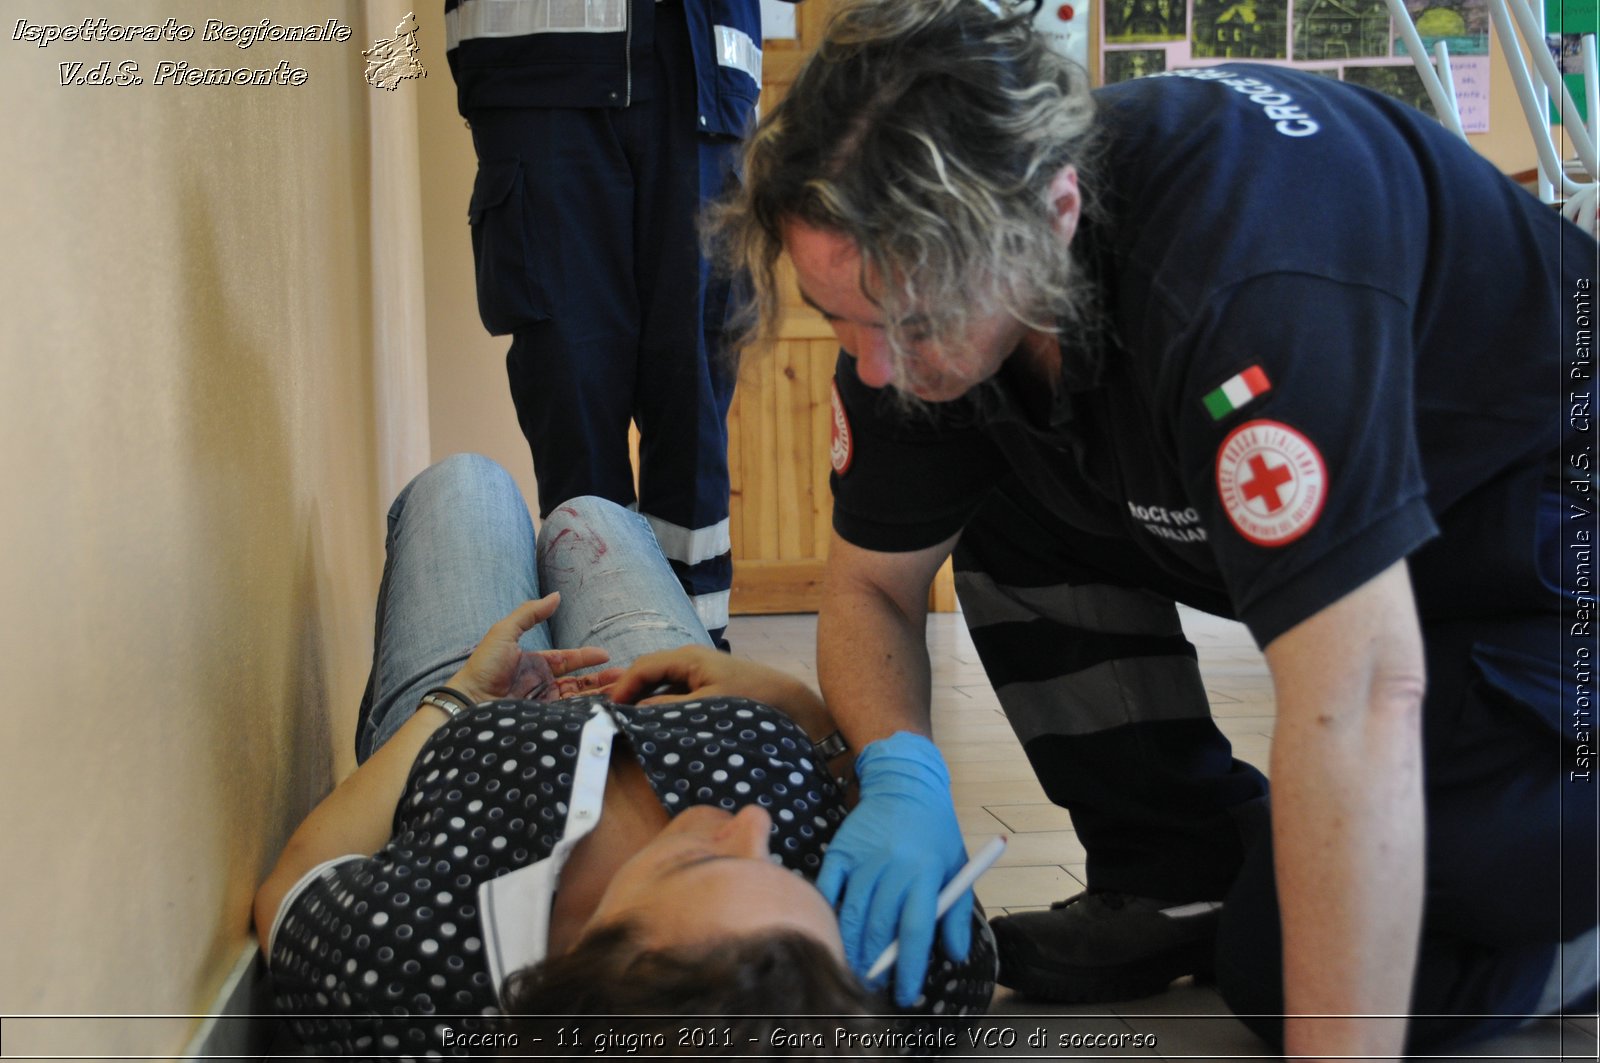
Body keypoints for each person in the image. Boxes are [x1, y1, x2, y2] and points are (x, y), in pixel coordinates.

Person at [707, 0, 1600, 1056]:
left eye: (909, 323)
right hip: (1380, 529)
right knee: (994, 491)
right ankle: (1179, 876)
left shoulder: (1244, 279)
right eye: (841, 319)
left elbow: (1357, 692)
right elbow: (871, 583)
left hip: (1537, 545)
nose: (875, 368)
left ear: (1053, 214)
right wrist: (900, 769)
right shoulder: (921, 288)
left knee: (1298, 971)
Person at [253, 454, 995, 1057]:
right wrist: (796, 707)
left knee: (466, 484)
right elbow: (920, 853)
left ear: (583, 959)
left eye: (703, 862)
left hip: (466, 721)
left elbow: (293, 886)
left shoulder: (406, 982)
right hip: (665, 678)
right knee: (592, 513)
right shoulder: (896, 981)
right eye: (785, 869)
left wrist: (457, 699)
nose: (752, 825)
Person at [443, 0, 792, 646]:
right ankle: (601, 668)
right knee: (573, 399)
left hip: (702, 69)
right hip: (538, 66)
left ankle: (694, 671)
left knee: (692, 410)